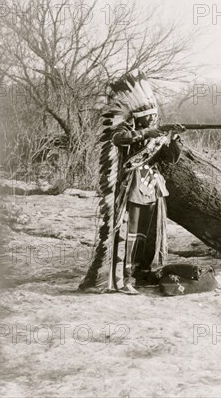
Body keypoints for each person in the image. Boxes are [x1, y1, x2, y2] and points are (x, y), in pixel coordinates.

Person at [79, 71, 183, 294]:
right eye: (149, 117)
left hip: (151, 187)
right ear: (140, 118)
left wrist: (174, 140)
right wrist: (147, 132)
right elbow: (118, 138)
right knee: (130, 234)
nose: (153, 120)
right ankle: (122, 278)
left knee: (148, 234)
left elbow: (170, 158)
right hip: (131, 187)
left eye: (154, 117)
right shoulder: (127, 130)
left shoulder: (154, 135)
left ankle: (142, 272)